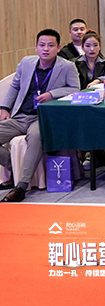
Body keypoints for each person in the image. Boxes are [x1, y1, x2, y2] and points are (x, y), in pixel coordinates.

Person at [0, 29, 80, 202]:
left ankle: (21, 186)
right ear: (36, 47)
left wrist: (52, 94)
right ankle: (14, 167)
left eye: (51, 45)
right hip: (20, 116)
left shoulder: (67, 66)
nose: (46, 49)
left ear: (58, 48)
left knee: (36, 137)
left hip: (43, 118)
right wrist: (4, 108)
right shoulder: (26, 63)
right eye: (42, 45)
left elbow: (75, 89)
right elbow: (15, 87)